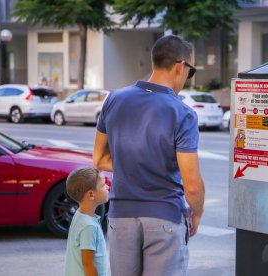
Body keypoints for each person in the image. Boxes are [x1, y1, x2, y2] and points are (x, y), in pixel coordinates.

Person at [93, 35, 205, 276]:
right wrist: (196, 212)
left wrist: (131, 164)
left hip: (120, 216)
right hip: (163, 215)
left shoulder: (114, 100)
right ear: (180, 66)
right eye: (190, 71)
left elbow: (99, 159)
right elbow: (192, 186)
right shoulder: (182, 113)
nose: (187, 77)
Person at [64, 167, 110, 276]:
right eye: (103, 185)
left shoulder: (80, 216)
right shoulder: (88, 226)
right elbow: (88, 263)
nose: (107, 187)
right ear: (91, 194)